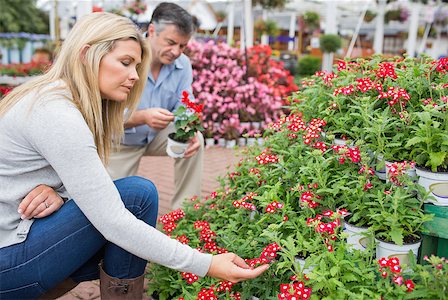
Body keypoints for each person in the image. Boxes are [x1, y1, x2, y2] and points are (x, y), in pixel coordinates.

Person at [0, 12, 268, 299]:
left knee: (133, 200)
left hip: (20, 240)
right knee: (135, 199)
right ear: (87, 54)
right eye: (125, 63)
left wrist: (60, 194)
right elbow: (112, 219)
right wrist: (207, 264)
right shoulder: (56, 112)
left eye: (137, 66)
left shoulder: (55, 97)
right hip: (9, 262)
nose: (134, 76)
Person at [106, 2, 203, 210]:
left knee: (195, 141)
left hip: (157, 136)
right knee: (110, 205)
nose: (176, 51)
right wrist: (141, 117)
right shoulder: (127, 59)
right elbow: (103, 115)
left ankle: (185, 215)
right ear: (151, 30)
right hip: (119, 142)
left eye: (183, 45)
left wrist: (189, 128)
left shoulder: (182, 64)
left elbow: (186, 103)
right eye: (171, 42)